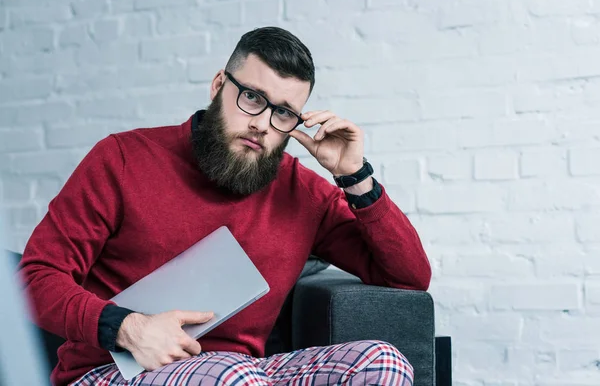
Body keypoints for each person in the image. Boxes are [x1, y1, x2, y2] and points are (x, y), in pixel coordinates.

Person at [18, 26, 431, 386]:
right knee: (233, 375)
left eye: (283, 112)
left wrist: (354, 176)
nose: (262, 123)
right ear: (219, 85)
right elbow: (34, 279)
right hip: (110, 373)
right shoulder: (123, 158)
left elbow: (410, 276)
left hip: (242, 374)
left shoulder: (304, 193)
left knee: (382, 362)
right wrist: (127, 328)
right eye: (252, 97)